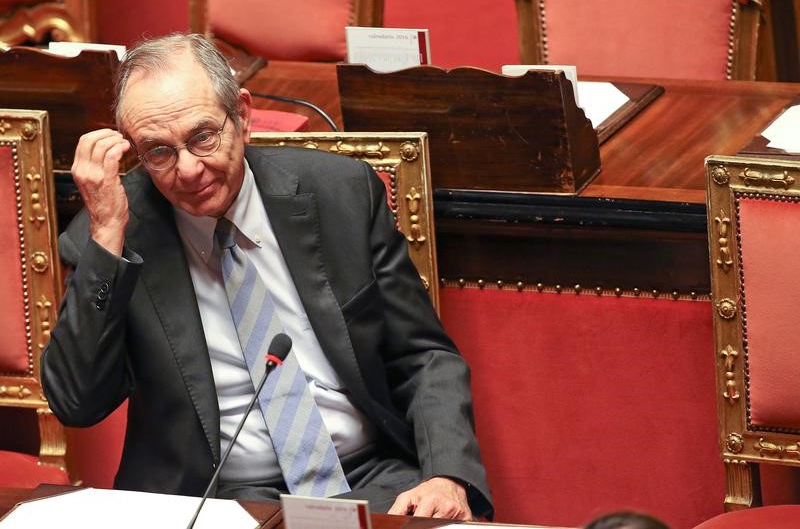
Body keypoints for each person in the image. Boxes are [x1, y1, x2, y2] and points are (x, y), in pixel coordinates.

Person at [40, 33, 491, 520]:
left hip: (367, 477)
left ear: (243, 116)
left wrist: (446, 476)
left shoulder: (339, 194)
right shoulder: (115, 230)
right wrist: (107, 237)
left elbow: (423, 356)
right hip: (214, 496)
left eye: (203, 137)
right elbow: (76, 401)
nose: (189, 169)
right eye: (159, 152)